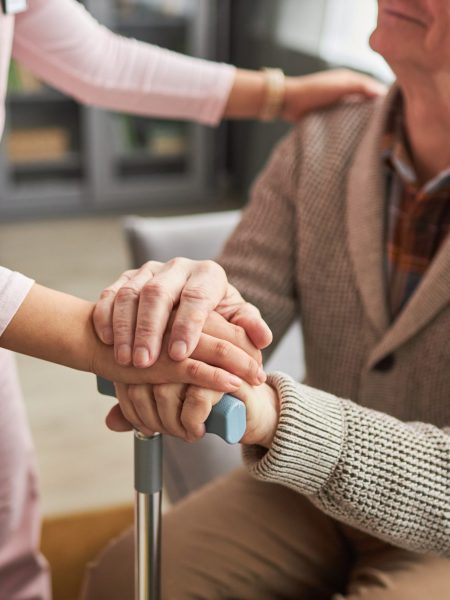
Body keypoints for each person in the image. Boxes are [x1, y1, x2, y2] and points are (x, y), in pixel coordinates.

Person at [0, 1, 384, 597]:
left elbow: (93, 56)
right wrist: (127, 341)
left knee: (9, 545)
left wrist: (278, 96)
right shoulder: (328, 146)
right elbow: (250, 286)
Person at [81, 0, 450, 598]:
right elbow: (243, 297)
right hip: (314, 498)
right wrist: (185, 309)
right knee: (127, 581)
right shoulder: (326, 138)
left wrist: (284, 419)